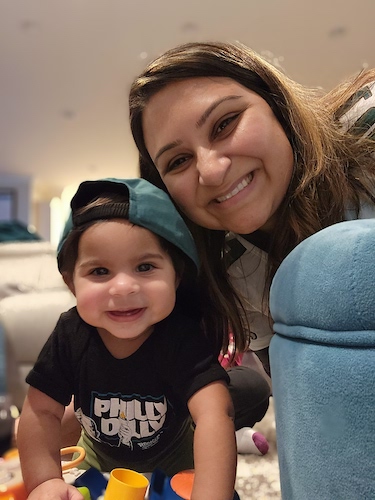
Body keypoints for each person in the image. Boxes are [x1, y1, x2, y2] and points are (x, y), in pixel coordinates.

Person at [129, 40, 375, 376]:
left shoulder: (368, 130)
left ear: (277, 104)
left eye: (224, 124)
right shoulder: (234, 272)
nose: (211, 172)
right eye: (179, 161)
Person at [17, 178, 238, 500]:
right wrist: (43, 482)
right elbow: (40, 411)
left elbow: (215, 412)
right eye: (100, 272)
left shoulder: (180, 335)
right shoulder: (70, 334)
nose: (123, 288)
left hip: (176, 458)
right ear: (71, 282)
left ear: (176, 275)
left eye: (145, 267)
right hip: (95, 456)